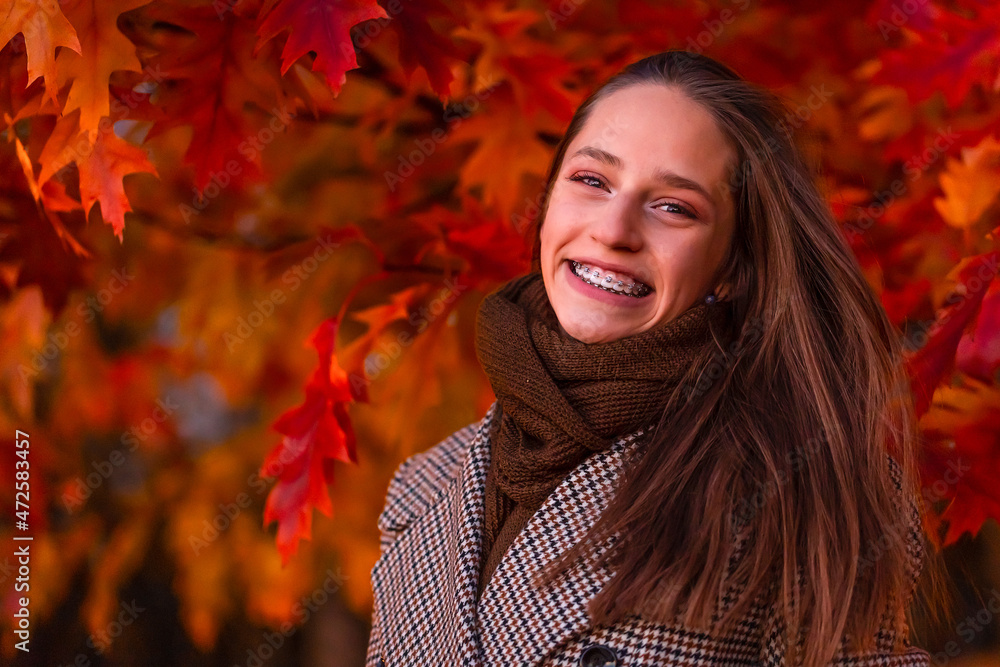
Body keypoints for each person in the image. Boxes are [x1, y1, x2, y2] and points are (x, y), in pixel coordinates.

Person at [365, 49, 939, 666]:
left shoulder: (798, 491)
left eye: (674, 207)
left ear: (737, 264)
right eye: (591, 180)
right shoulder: (423, 486)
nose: (614, 229)